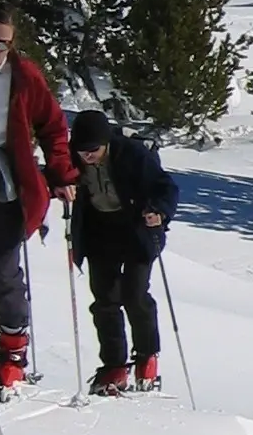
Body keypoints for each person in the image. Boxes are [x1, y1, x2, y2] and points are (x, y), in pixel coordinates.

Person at [0, 1, 79, 397]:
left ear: (12, 45)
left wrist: (60, 173)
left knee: (2, 269)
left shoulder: (23, 77)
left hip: (7, 183)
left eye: (1, 43)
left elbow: (53, 126)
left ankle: (12, 353)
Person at [67, 109, 180, 395]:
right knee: (105, 299)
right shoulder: (73, 157)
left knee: (134, 294)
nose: (87, 155)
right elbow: (59, 177)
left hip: (136, 231)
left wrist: (159, 212)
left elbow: (166, 187)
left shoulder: (132, 154)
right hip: (99, 232)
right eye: (82, 150)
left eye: (93, 150)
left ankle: (147, 357)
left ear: (106, 142)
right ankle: (114, 366)